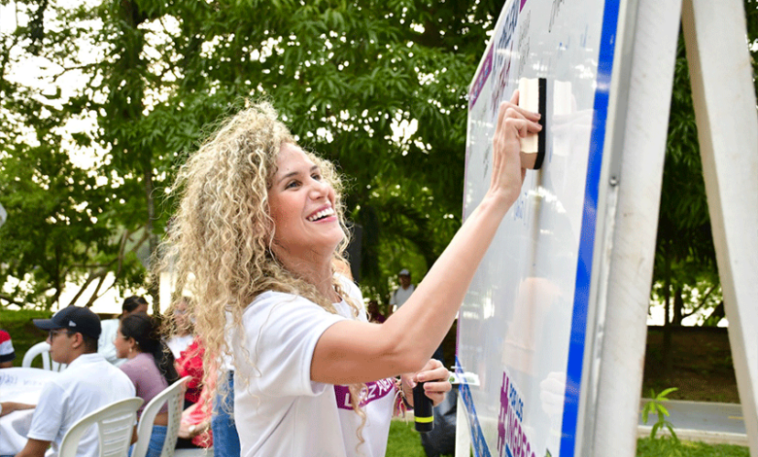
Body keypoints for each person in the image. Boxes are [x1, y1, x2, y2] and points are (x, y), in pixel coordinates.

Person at [162, 94, 539, 456]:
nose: (321, 190)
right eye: (293, 184)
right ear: (255, 221)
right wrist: (498, 196)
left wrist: (400, 387)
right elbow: (402, 345)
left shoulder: (345, 297)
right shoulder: (268, 318)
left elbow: (347, 401)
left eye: (315, 175)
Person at [13, 306, 135, 457]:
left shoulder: (60, 385)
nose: (48, 341)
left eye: (53, 334)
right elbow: (132, 436)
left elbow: (32, 454)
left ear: (76, 339)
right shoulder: (122, 379)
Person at [116, 312, 179, 457]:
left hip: (147, 440)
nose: (114, 342)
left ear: (131, 342)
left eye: (117, 335)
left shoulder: (131, 368)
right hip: (162, 437)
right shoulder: (154, 359)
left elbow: (118, 413)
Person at [98, 295, 149, 366]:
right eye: (141, 313)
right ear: (125, 313)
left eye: (146, 312)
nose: (145, 316)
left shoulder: (143, 332)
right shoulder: (104, 326)